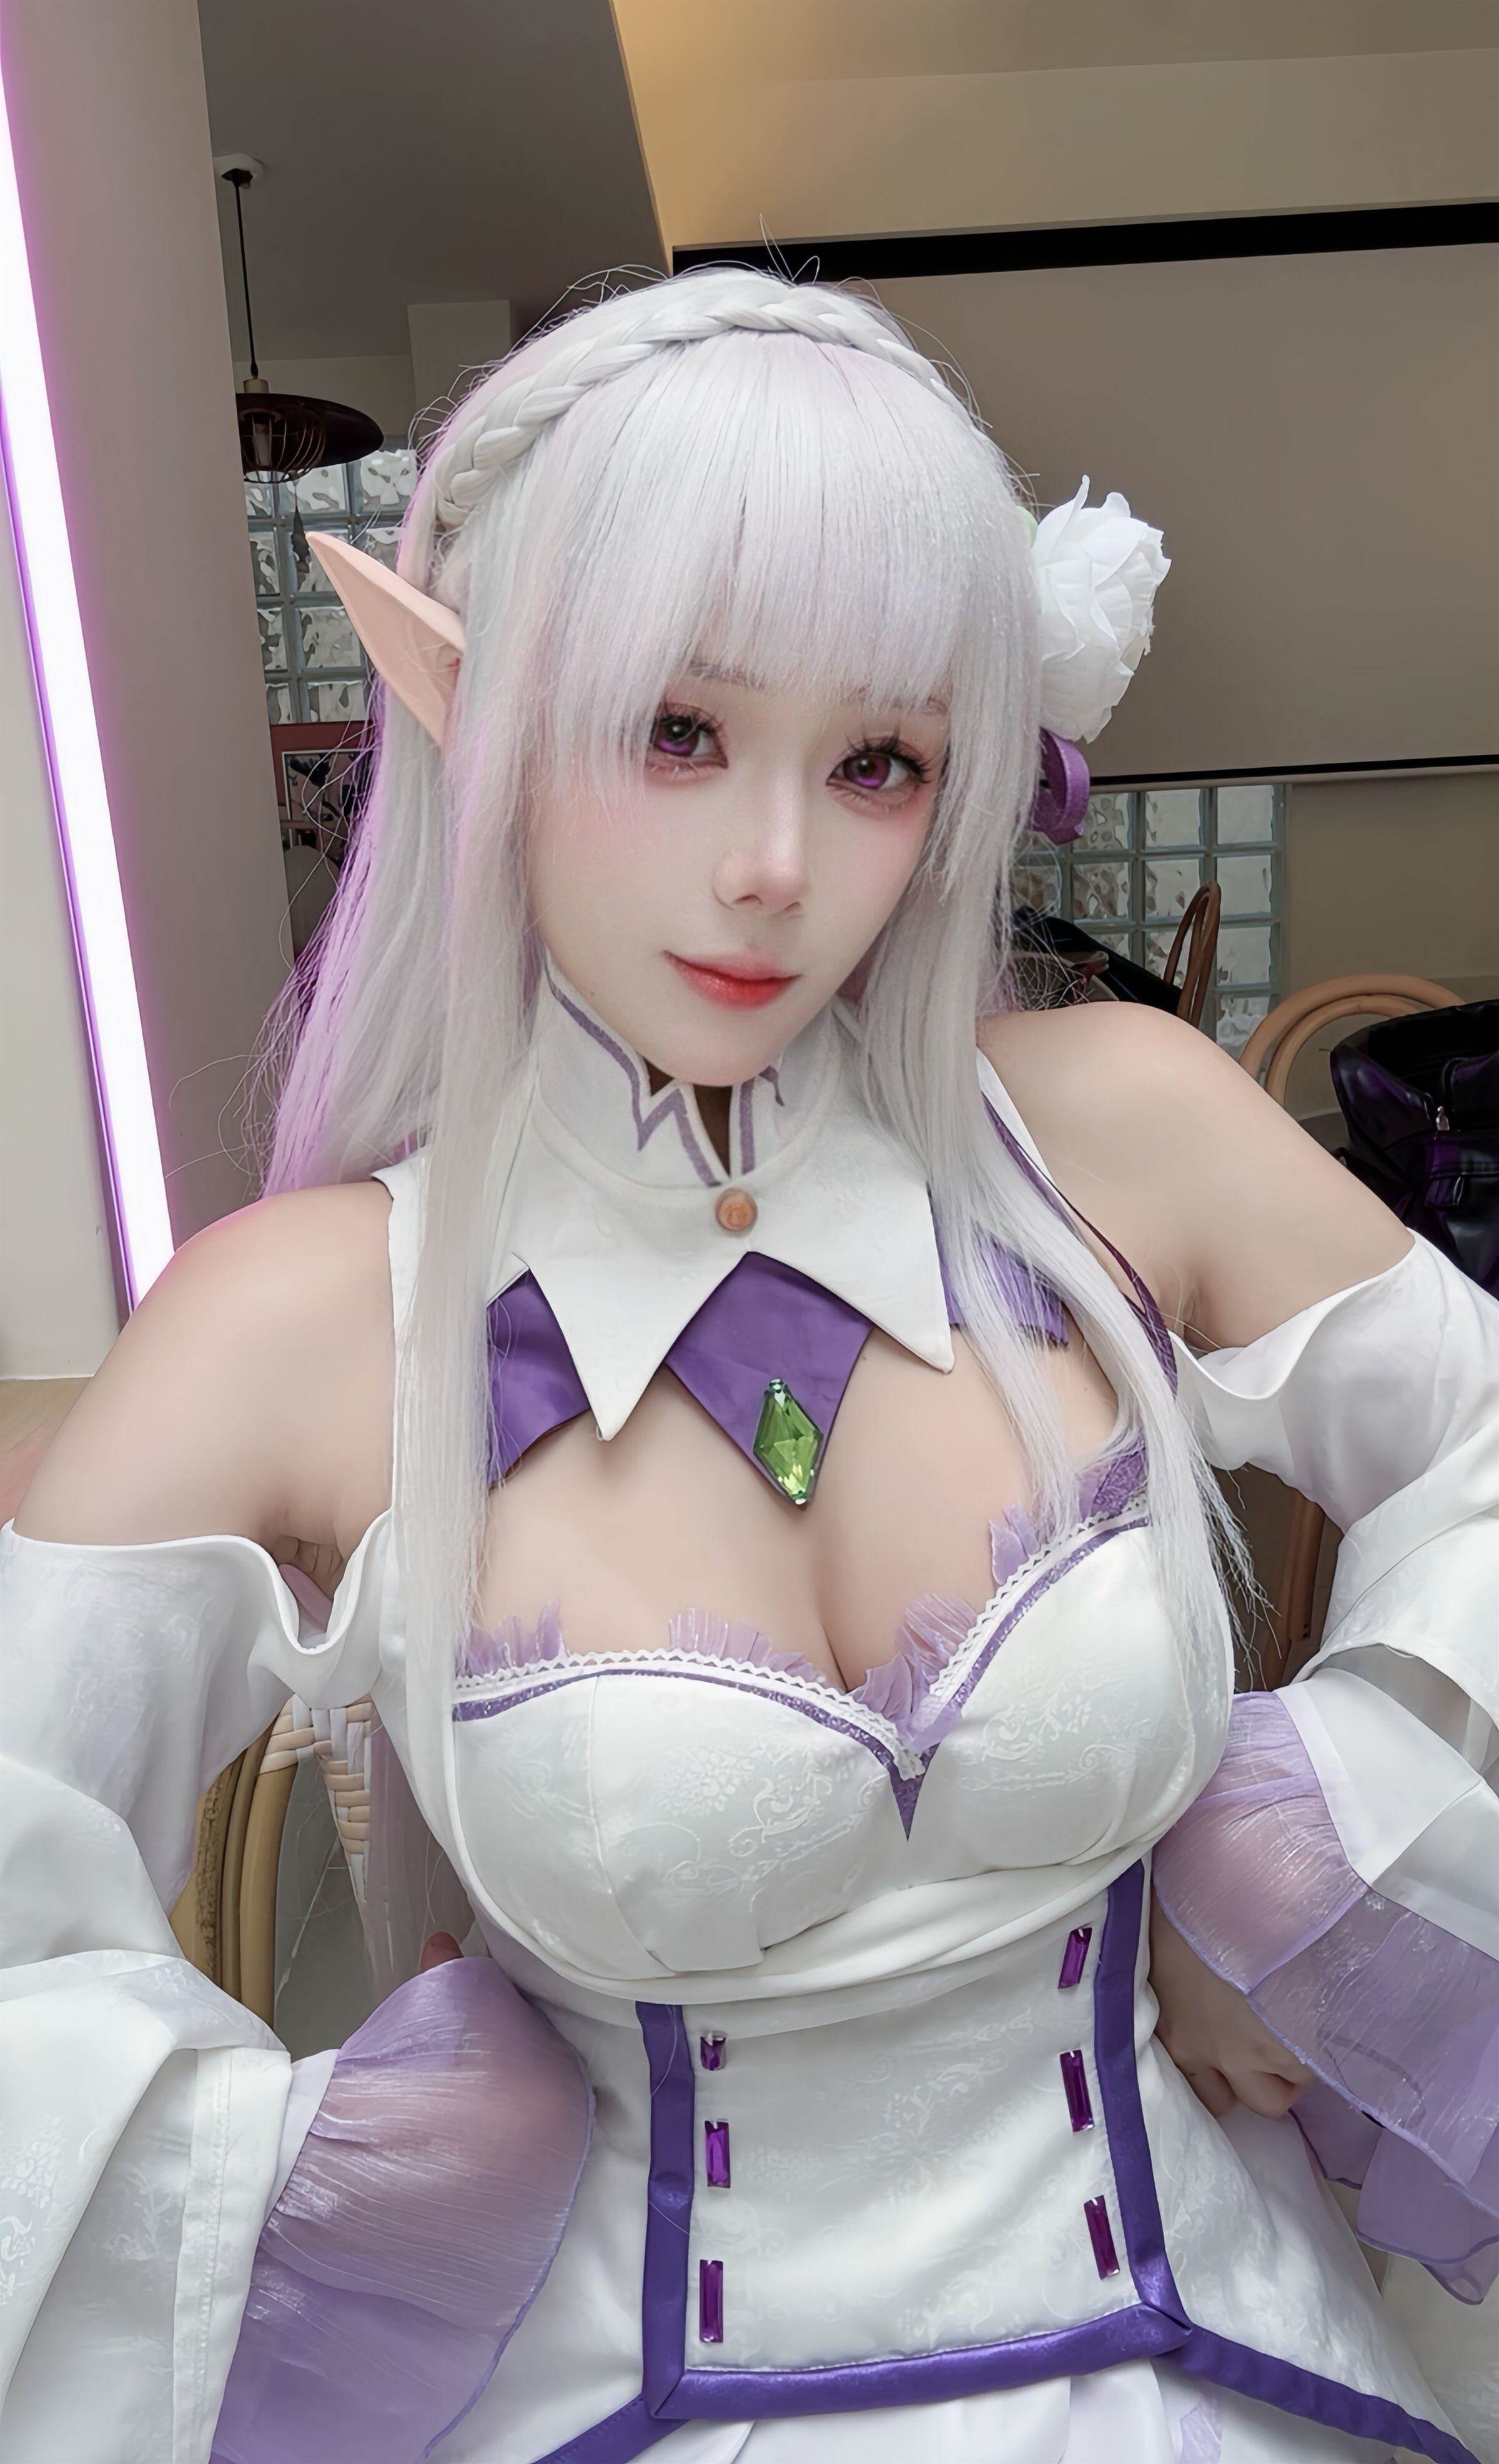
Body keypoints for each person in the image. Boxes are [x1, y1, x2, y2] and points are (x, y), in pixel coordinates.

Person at [2, 268, 1495, 2464]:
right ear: (473, 708)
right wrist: (290, 2199)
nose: (777, 869)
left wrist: (1325, 1835)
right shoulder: (302, 1321)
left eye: (877, 761)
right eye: (674, 731)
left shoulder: (1114, 1126)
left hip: (1236, 2354)